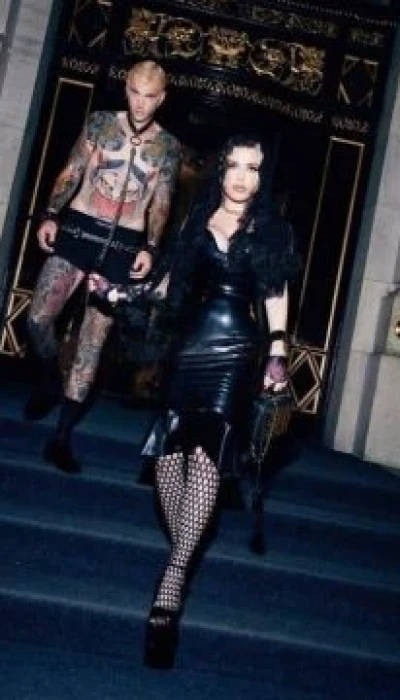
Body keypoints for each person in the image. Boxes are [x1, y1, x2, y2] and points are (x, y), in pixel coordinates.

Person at [90, 133, 299, 668]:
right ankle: (183, 561)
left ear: (262, 177)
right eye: (235, 165)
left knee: (206, 458)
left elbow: (275, 293)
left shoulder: (270, 229)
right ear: (220, 169)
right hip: (190, 349)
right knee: (168, 462)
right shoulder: (196, 220)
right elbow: (168, 284)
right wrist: (120, 293)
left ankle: (171, 584)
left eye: (253, 168)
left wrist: (278, 353)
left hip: (236, 353)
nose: (242, 177)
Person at [24, 59, 181, 473]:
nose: (141, 103)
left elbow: (162, 200)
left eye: (150, 96)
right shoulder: (100, 123)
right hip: (79, 231)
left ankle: (61, 439)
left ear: (161, 99)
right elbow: (73, 168)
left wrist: (150, 246)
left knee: (91, 345)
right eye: (135, 92)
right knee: (37, 319)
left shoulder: (168, 146)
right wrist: (50, 214)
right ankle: (48, 379)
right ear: (126, 89)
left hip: (123, 249)